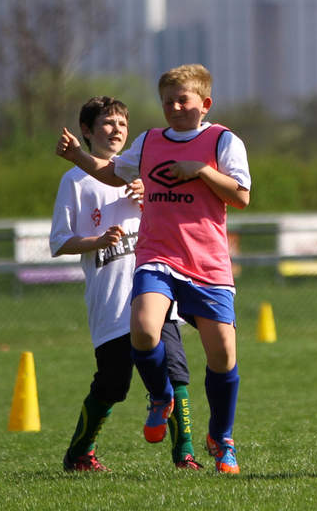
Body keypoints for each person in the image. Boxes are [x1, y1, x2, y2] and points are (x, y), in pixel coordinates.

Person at [56, 64, 252, 474]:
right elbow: (112, 173)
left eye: (184, 100)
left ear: (205, 104)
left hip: (205, 262)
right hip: (157, 257)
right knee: (144, 331)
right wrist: (78, 156)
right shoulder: (149, 141)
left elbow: (241, 196)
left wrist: (201, 170)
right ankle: (162, 402)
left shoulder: (223, 141)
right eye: (168, 101)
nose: (175, 107)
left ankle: (222, 438)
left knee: (223, 355)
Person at [51, 95, 200, 472]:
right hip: (110, 301)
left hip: (155, 290)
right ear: (87, 131)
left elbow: (178, 216)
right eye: (106, 123)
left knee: (174, 371)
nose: (116, 129)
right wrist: (96, 241)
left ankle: (184, 455)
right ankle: (80, 453)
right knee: (114, 384)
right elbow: (59, 241)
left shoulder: (143, 174)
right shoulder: (76, 181)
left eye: (121, 123)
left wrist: (151, 197)